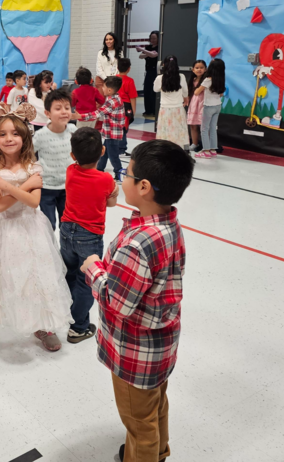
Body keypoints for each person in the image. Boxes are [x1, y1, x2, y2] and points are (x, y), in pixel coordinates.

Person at [81, 139, 194, 462]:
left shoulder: (137, 243)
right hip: (160, 344)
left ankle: (145, 455)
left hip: (135, 352)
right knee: (156, 405)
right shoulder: (168, 224)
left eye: (126, 175)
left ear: (144, 187)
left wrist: (94, 270)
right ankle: (159, 452)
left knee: (137, 422)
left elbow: (117, 302)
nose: (121, 178)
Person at [0, 102, 72, 360]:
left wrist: (8, 186)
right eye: (2, 134)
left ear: (25, 137)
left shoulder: (34, 167)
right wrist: (20, 185)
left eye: (15, 133)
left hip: (29, 228)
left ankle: (40, 325)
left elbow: (33, 203)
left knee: (35, 276)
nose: (9, 139)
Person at [60, 127, 119, 344]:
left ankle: (66, 311)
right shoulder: (105, 179)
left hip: (66, 231)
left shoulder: (70, 170)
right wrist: (115, 192)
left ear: (73, 155)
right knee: (86, 281)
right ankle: (78, 327)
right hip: (90, 236)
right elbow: (111, 203)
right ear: (102, 150)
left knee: (69, 273)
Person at [33, 90, 75, 231]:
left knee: (67, 225)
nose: (64, 112)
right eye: (58, 108)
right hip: (47, 188)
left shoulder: (72, 130)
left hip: (68, 187)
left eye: (67, 108)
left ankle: (66, 251)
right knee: (48, 225)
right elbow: (28, 154)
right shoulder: (41, 135)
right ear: (47, 113)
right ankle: (48, 251)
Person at [74, 76, 126, 183]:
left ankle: (118, 172)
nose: (102, 88)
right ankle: (99, 169)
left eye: (104, 86)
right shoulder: (115, 97)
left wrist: (80, 116)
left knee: (113, 156)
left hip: (112, 133)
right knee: (104, 152)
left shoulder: (112, 102)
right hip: (110, 133)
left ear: (110, 90)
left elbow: (97, 114)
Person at [153, 56, 189, 149]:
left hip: (165, 109)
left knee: (165, 130)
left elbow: (155, 89)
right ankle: (181, 150)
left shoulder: (160, 78)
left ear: (163, 65)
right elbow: (185, 91)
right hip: (178, 108)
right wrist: (186, 98)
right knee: (179, 130)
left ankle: (164, 150)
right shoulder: (181, 76)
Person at [195, 58, 226, 159]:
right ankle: (213, 149)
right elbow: (221, 94)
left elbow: (196, 92)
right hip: (218, 105)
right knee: (213, 128)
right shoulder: (221, 80)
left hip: (208, 107)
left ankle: (206, 151)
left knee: (204, 129)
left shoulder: (207, 80)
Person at [116, 58, 138, 155]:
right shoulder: (130, 81)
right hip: (126, 106)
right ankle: (121, 149)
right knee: (124, 127)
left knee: (116, 126)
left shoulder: (113, 79)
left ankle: (115, 147)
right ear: (129, 68)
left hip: (115, 105)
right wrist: (133, 110)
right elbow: (132, 97)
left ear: (117, 67)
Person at [136, 30, 160, 117]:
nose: (153, 40)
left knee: (154, 91)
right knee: (147, 90)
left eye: (155, 38)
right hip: (148, 71)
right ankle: (148, 110)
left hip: (156, 72)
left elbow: (154, 55)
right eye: (151, 38)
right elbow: (140, 56)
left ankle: (154, 110)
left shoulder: (160, 47)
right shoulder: (148, 47)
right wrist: (148, 53)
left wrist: (143, 50)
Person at [186, 60, 207, 153]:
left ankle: (206, 145)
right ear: (193, 70)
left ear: (205, 69)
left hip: (203, 104)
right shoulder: (192, 80)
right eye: (197, 68)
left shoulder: (207, 81)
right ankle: (194, 143)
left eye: (201, 68)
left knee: (204, 126)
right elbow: (189, 93)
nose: (199, 70)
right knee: (193, 125)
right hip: (193, 105)